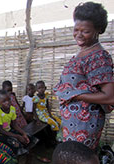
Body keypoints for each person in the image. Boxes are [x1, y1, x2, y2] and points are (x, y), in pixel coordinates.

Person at [53, 2, 114, 150]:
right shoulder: (83, 52)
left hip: (85, 124)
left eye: (85, 31)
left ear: (98, 30)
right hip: (73, 123)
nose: (78, 35)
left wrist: (76, 96)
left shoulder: (98, 57)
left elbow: (110, 97)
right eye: (76, 30)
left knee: (79, 157)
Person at [0, 90, 30, 155]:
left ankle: (25, 153)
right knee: (14, 143)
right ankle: (14, 157)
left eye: (9, 100)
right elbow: (1, 130)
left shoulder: (12, 109)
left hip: (8, 130)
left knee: (27, 137)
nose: (8, 102)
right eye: (4, 101)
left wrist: (23, 133)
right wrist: (17, 136)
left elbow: (14, 124)